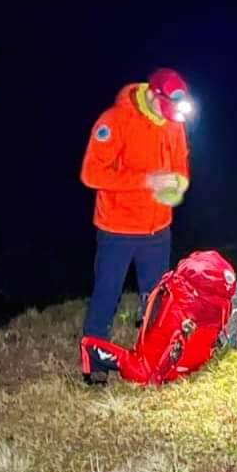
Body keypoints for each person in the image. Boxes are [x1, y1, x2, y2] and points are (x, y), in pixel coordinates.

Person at [79, 68, 193, 384]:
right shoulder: (115, 120)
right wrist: (146, 181)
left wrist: (179, 183)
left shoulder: (174, 122)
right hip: (118, 228)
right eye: (166, 111)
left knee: (156, 295)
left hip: (158, 228)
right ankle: (94, 359)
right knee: (108, 292)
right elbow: (91, 174)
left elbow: (181, 161)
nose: (171, 119)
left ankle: (152, 357)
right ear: (153, 95)